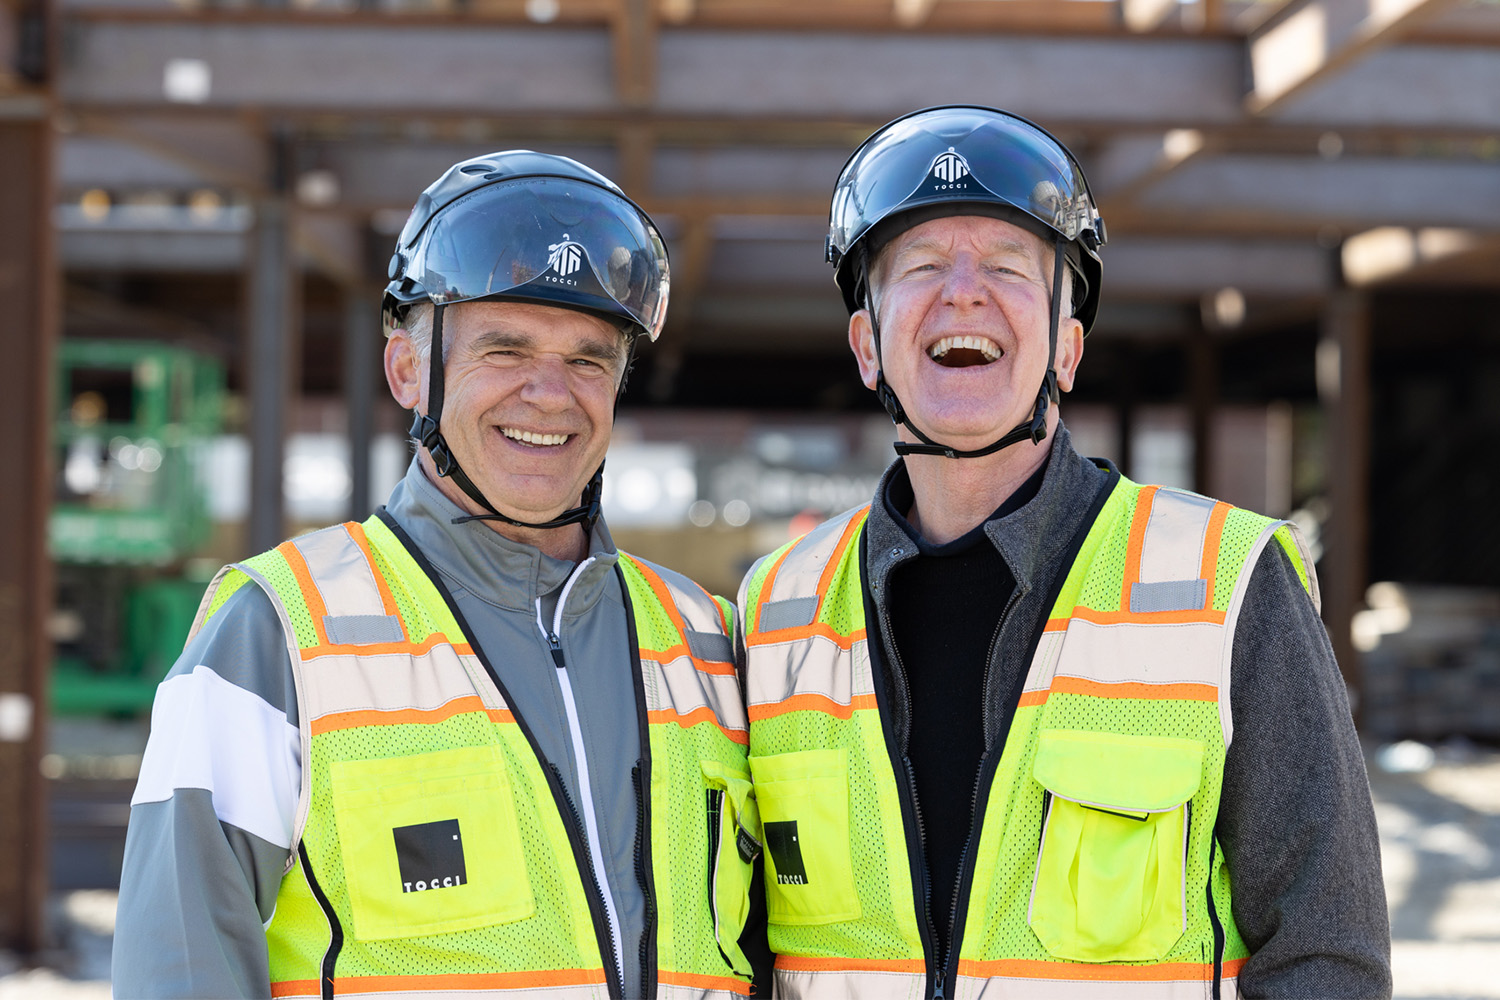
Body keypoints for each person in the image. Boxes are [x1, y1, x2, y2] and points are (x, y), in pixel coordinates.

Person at [737, 106, 1391, 999]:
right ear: (867, 348)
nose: (962, 292)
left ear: (1068, 349)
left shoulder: (1226, 583)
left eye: (1007, 267)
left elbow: (1327, 954)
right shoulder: (775, 611)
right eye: (922, 267)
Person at [115, 151, 766, 999]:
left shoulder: (704, 638)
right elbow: (181, 961)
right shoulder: (277, 627)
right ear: (406, 371)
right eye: (506, 348)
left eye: (588, 359)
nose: (549, 393)